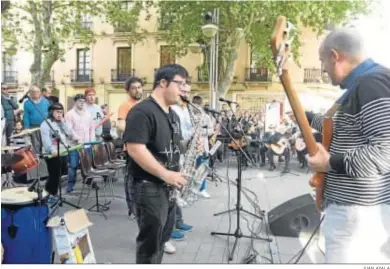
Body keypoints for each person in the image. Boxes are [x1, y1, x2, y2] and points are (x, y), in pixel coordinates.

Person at [306, 28, 390, 263]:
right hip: (354, 214)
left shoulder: (371, 84)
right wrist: (303, 116)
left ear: (335, 56)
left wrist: (329, 162)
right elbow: (334, 126)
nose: (322, 69)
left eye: (322, 61)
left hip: (358, 217)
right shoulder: (361, 86)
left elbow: (386, 151)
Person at [123, 64, 188, 263]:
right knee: (149, 246)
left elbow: (172, 146)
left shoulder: (173, 115)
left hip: (167, 188)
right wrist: (166, 174)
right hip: (148, 187)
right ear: (163, 82)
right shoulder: (142, 111)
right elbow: (135, 149)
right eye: (180, 84)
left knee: (161, 240)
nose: (184, 89)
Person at [117, 76, 143, 218]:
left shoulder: (146, 104)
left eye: (139, 87)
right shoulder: (125, 105)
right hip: (132, 149)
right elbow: (121, 125)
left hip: (146, 149)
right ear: (128, 91)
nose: (137, 90)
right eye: (133, 88)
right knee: (131, 180)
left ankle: (141, 208)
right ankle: (132, 210)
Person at [40, 103, 76, 197]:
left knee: (59, 174)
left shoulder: (62, 123)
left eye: (61, 112)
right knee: (54, 175)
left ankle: (51, 193)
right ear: (51, 112)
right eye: (57, 112)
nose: (59, 114)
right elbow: (46, 140)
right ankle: (50, 194)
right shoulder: (46, 124)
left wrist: (63, 123)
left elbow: (69, 133)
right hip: (52, 153)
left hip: (63, 151)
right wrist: (51, 150)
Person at [65, 94, 94, 193]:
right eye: (80, 101)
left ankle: (88, 181)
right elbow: (69, 130)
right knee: (72, 165)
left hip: (86, 145)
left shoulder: (88, 114)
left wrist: (91, 141)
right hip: (74, 145)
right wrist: (77, 138)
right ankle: (70, 186)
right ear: (75, 102)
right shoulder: (69, 114)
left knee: (87, 165)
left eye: (83, 101)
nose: (82, 103)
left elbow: (91, 128)